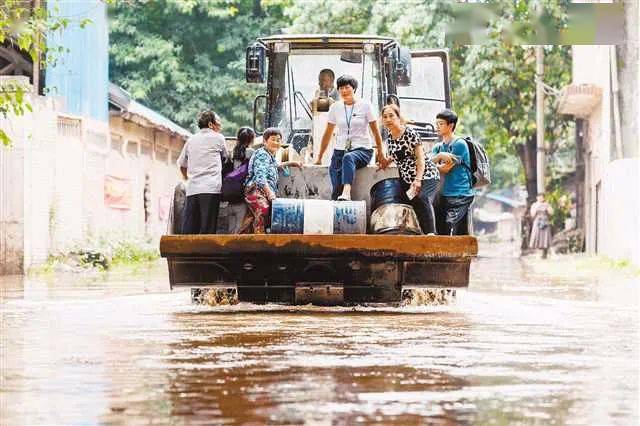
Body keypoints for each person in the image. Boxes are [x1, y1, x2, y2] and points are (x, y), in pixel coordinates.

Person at [313, 75, 387, 201]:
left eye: (347, 87)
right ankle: (338, 212)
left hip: (362, 149)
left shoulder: (365, 105)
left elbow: (375, 132)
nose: (344, 91)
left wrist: (381, 152)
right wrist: (319, 157)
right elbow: (327, 134)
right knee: (336, 187)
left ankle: (347, 192)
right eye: (341, 88)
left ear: (354, 89)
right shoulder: (335, 107)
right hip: (340, 150)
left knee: (349, 158)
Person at [380, 104, 440, 235]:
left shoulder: (410, 133)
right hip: (407, 179)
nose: (388, 119)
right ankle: (421, 235)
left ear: (398, 117)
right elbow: (395, 154)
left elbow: (420, 159)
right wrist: (385, 162)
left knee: (423, 198)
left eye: (391, 116)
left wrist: (418, 179)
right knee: (412, 205)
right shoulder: (390, 138)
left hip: (426, 175)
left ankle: (432, 234)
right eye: (385, 117)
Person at [238, 127, 302, 234]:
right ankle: (260, 241)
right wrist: (270, 192)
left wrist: (291, 163)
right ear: (264, 141)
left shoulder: (269, 156)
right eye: (273, 139)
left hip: (260, 191)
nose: (276, 143)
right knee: (263, 210)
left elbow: (275, 166)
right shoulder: (262, 154)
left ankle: (241, 242)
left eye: (278, 140)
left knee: (252, 219)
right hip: (256, 190)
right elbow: (260, 177)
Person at [177, 110, 227, 234]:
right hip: (211, 189)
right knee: (208, 229)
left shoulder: (191, 140)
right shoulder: (219, 138)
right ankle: (206, 253)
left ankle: (188, 252)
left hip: (193, 189)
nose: (220, 126)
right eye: (218, 123)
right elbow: (226, 157)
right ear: (211, 124)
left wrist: (188, 178)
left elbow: (182, 164)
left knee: (190, 229)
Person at [431, 109, 474, 235]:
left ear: (451, 125)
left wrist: (435, 161)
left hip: (460, 194)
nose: (437, 127)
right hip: (444, 194)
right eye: (436, 123)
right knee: (441, 228)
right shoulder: (438, 147)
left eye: (441, 124)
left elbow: (446, 168)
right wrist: (440, 156)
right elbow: (429, 163)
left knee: (450, 224)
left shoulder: (459, 144)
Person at [225, 127, 256, 233]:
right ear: (251, 139)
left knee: (231, 229)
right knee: (240, 229)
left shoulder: (232, 153)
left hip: (230, 196)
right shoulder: (251, 152)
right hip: (242, 198)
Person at [529, 193, 553, 258]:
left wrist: (548, 208)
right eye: (539, 197)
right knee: (537, 236)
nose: (540, 198)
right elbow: (532, 214)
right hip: (537, 221)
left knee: (545, 236)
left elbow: (551, 213)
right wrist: (537, 208)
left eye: (542, 197)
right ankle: (538, 253)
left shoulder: (547, 204)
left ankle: (545, 253)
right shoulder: (534, 205)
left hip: (545, 221)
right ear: (537, 198)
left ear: (544, 198)